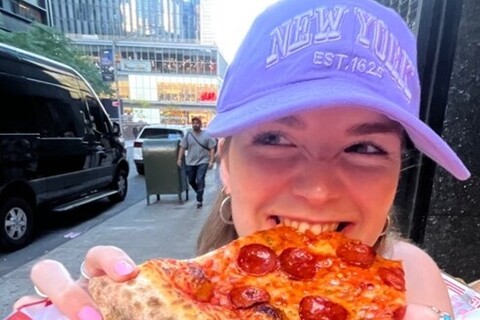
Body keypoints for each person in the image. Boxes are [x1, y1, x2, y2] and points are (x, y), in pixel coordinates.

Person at [13, 0, 472, 319]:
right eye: (275, 139)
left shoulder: (415, 275)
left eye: (365, 148)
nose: (318, 188)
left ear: (397, 173)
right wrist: (100, 304)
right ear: (224, 164)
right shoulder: (182, 301)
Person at [177, 117, 216, 208]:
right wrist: (179, 159)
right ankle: (199, 191)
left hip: (203, 162)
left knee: (200, 178)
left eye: (197, 123)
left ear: (201, 124)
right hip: (190, 162)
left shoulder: (207, 135)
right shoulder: (188, 135)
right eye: (193, 123)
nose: (195, 124)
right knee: (191, 180)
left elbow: (212, 148)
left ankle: (199, 200)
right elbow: (182, 147)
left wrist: (211, 161)